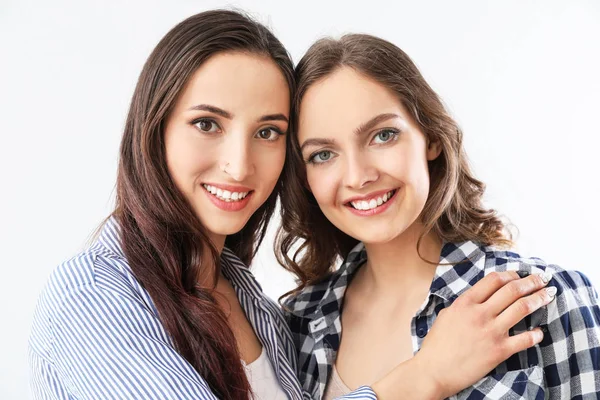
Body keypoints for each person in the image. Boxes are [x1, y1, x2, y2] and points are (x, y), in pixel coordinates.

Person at [29, 10, 557, 400]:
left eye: (267, 131)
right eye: (207, 124)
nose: (239, 165)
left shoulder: (261, 309)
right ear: (153, 132)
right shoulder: (96, 294)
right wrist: (427, 375)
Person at [278, 33, 600, 399]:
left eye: (383, 135)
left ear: (430, 137)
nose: (358, 176)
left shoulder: (540, 299)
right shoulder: (297, 323)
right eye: (323, 154)